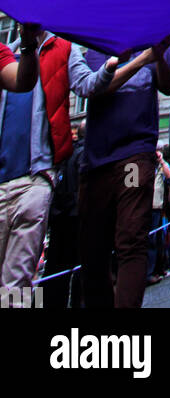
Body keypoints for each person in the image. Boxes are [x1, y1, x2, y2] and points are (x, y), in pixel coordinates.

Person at [70, 33, 170, 308]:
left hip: (134, 157)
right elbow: (91, 87)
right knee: (92, 249)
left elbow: (168, 86)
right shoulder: (89, 43)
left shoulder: (154, 36)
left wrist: (159, 58)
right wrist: (141, 60)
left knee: (131, 237)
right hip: (96, 162)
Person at [0, 25, 73, 296]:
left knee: (18, 284)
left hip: (35, 181)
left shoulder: (63, 48)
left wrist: (28, 46)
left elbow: (23, 81)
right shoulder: (6, 53)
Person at [42, 121, 84, 309]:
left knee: (48, 269)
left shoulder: (63, 156)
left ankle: (42, 304)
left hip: (57, 216)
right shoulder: (81, 154)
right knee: (78, 268)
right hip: (74, 217)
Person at [146, 148, 170, 284]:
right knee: (150, 241)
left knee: (159, 239)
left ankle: (158, 269)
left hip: (158, 206)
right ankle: (149, 273)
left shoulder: (160, 166)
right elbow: (131, 182)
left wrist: (161, 161)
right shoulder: (141, 164)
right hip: (146, 207)